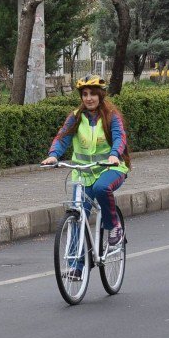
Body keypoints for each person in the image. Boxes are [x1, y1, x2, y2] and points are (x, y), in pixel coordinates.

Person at [43, 75, 131, 268]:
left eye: (93, 94)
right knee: (77, 217)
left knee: (101, 189)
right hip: (82, 174)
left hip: (111, 169)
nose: (89, 98)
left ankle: (114, 227)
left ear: (101, 95)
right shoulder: (75, 116)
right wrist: (53, 155)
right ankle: (77, 266)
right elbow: (62, 137)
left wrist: (115, 154)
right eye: (85, 94)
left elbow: (119, 137)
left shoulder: (111, 116)